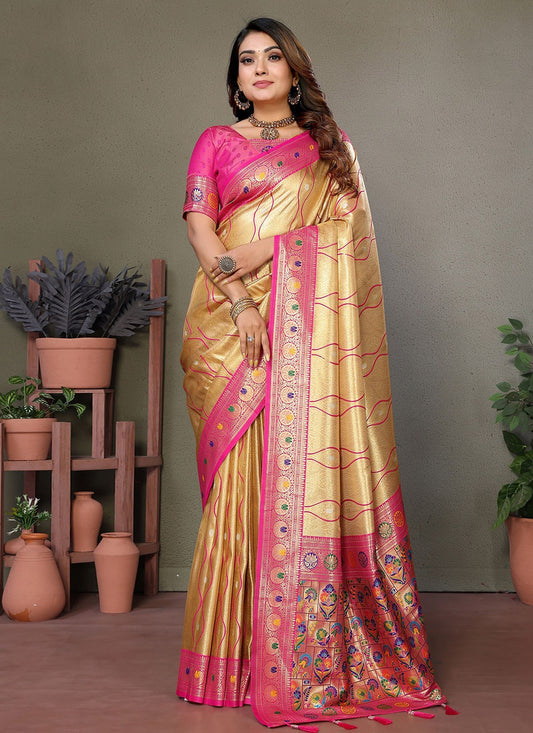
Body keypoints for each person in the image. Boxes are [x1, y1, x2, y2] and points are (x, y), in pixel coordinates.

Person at [177, 17, 446, 729]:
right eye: (246, 60)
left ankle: (295, 651)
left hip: (301, 329)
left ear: (294, 71)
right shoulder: (215, 141)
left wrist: (263, 251)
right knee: (238, 484)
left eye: (273, 57)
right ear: (236, 79)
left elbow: (345, 240)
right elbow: (200, 226)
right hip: (225, 322)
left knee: (292, 475)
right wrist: (241, 301)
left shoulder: (327, 149)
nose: (260, 68)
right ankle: (227, 660)